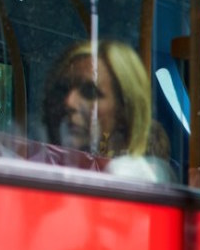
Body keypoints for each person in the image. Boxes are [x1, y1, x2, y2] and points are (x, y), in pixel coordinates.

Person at [41, 39, 171, 180]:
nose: (69, 102)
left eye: (90, 92)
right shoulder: (46, 164)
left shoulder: (127, 178)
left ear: (124, 110)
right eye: (63, 89)